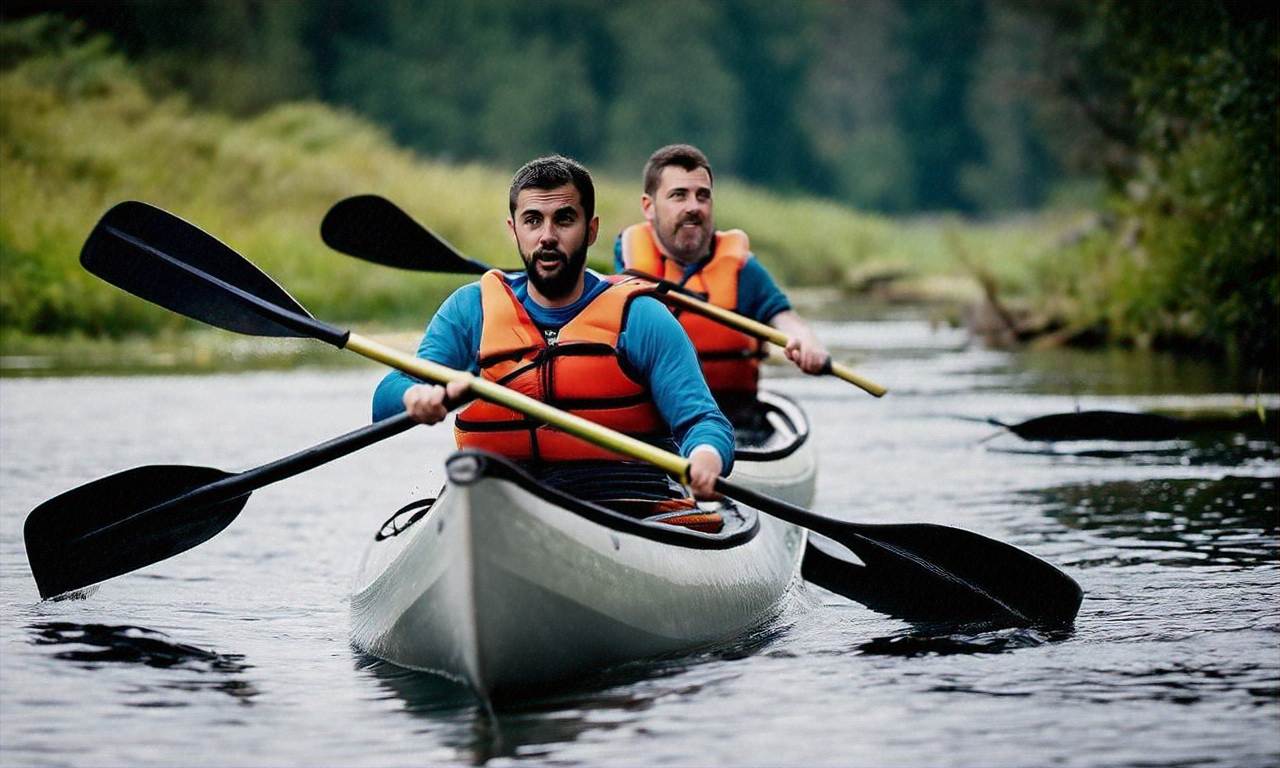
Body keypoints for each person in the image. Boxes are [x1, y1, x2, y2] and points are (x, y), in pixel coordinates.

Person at [372, 155, 733, 501]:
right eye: (532, 220)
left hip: (625, 501)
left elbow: (703, 420)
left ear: (590, 230)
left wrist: (705, 457)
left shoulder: (640, 317)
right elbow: (389, 394)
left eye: (563, 219)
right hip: (497, 496)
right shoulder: (471, 310)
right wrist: (413, 397)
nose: (547, 235)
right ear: (514, 230)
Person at [615, 144, 829, 426]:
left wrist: (807, 342)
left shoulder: (742, 270)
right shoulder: (627, 269)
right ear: (648, 206)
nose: (693, 207)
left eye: (702, 196)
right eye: (679, 196)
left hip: (736, 419)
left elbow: (786, 319)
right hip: (659, 420)